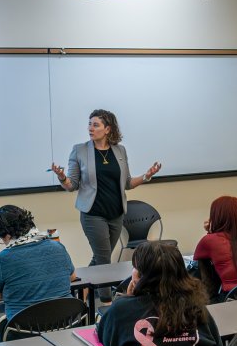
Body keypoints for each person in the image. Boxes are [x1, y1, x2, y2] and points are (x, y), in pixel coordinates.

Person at [50, 109, 162, 302]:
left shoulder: (120, 150)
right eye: (89, 124)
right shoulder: (80, 150)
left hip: (117, 213)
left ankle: (80, 291)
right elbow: (72, 185)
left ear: (107, 129)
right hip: (93, 214)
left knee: (101, 257)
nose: (90, 128)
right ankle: (106, 301)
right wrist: (62, 177)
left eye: (96, 125)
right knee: (104, 259)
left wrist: (147, 175)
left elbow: (127, 183)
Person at [0, 205, 76, 344]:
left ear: (8, 235)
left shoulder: (4, 258)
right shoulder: (57, 247)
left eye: (2, 238)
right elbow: (72, 277)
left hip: (24, 332)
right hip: (64, 325)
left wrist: (19, 293)